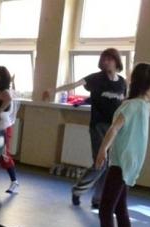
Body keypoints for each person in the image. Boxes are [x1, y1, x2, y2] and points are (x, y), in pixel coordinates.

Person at [80, 63, 150, 227]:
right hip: (132, 161)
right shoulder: (145, 103)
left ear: (135, 79)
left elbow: (114, 129)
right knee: (120, 206)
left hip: (121, 163)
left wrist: (102, 151)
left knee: (105, 210)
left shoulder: (130, 105)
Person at [43, 48, 127, 209]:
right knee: (100, 162)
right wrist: (53, 90)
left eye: (109, 59)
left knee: (109, 165)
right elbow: (74, 84)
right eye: (104, 59)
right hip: (98, 126)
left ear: (116, 61)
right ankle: (78, 190)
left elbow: (125, 102)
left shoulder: (122, 82)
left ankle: (98, 199)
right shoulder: (96, 78)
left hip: (114, 128)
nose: (106, 62)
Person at [0, 66, 20, 194]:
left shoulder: (5, 92)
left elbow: (9, 99)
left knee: (3, 155)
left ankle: (14, 181)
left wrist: (0, 110)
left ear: (2, 77)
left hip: (3, 128)